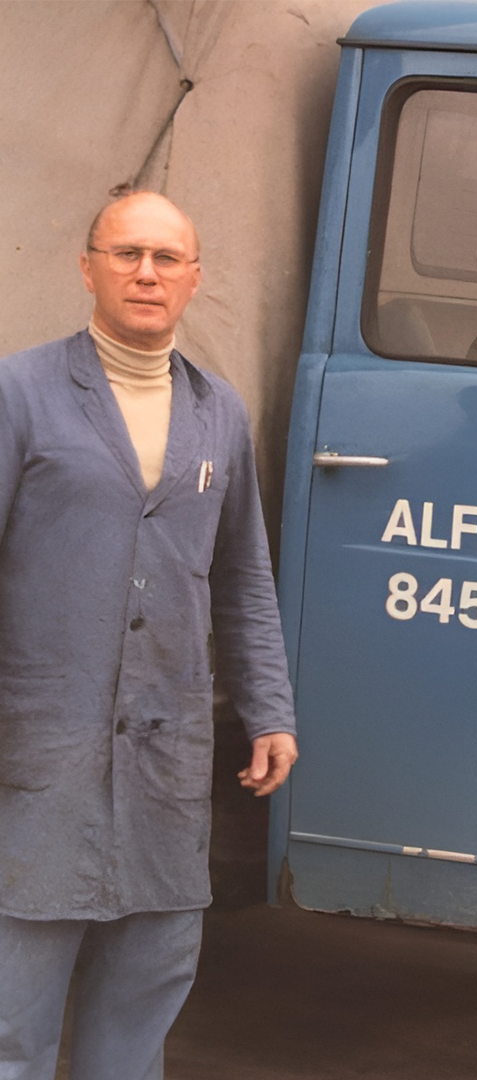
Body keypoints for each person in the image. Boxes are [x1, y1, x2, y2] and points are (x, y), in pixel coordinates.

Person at [0, 191, 299, 1080]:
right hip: (44, 753)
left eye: (167, 259)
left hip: (165, 761)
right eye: (126, 253)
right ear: (86, 266)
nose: (146, 273)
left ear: (196, 280)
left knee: (141, 1004)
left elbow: (244, 576)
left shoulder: (220, 414)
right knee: (16, 1013)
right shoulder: (20, 393)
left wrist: (269, 709)